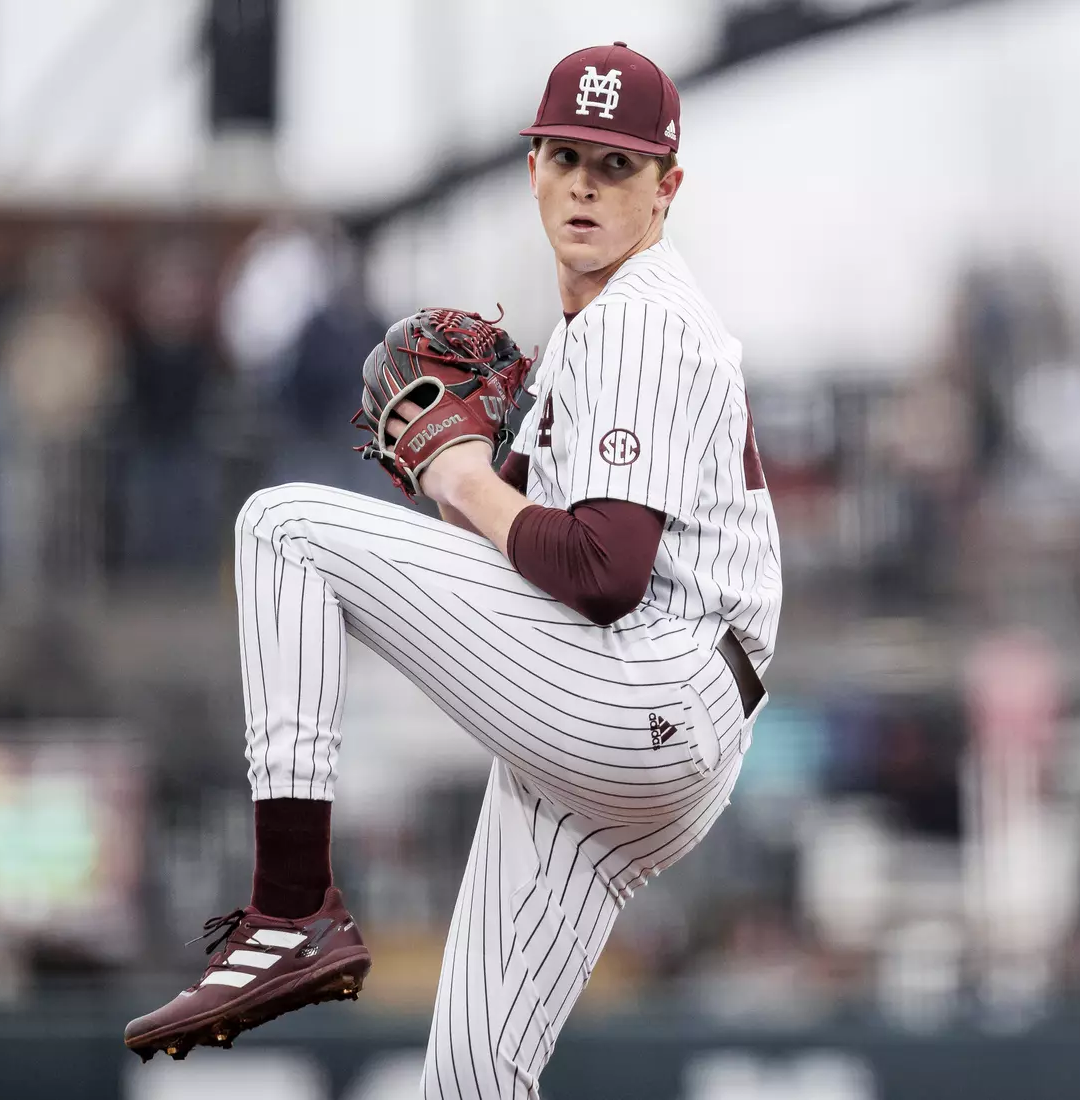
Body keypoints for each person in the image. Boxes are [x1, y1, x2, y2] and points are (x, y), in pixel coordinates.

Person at [123, 41, 783, 1099]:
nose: (583, 183)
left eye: (615, 164)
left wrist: (464, 478)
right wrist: (450, 482)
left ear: (668, 187)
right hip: (625, 725)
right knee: (469, 1079)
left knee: (282, 527)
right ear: (532, 168)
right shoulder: (585, 334)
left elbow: (605, 568)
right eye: (566, 155)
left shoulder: (643, 319)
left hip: (647, 679)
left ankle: (292, 907)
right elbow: (505, 549)